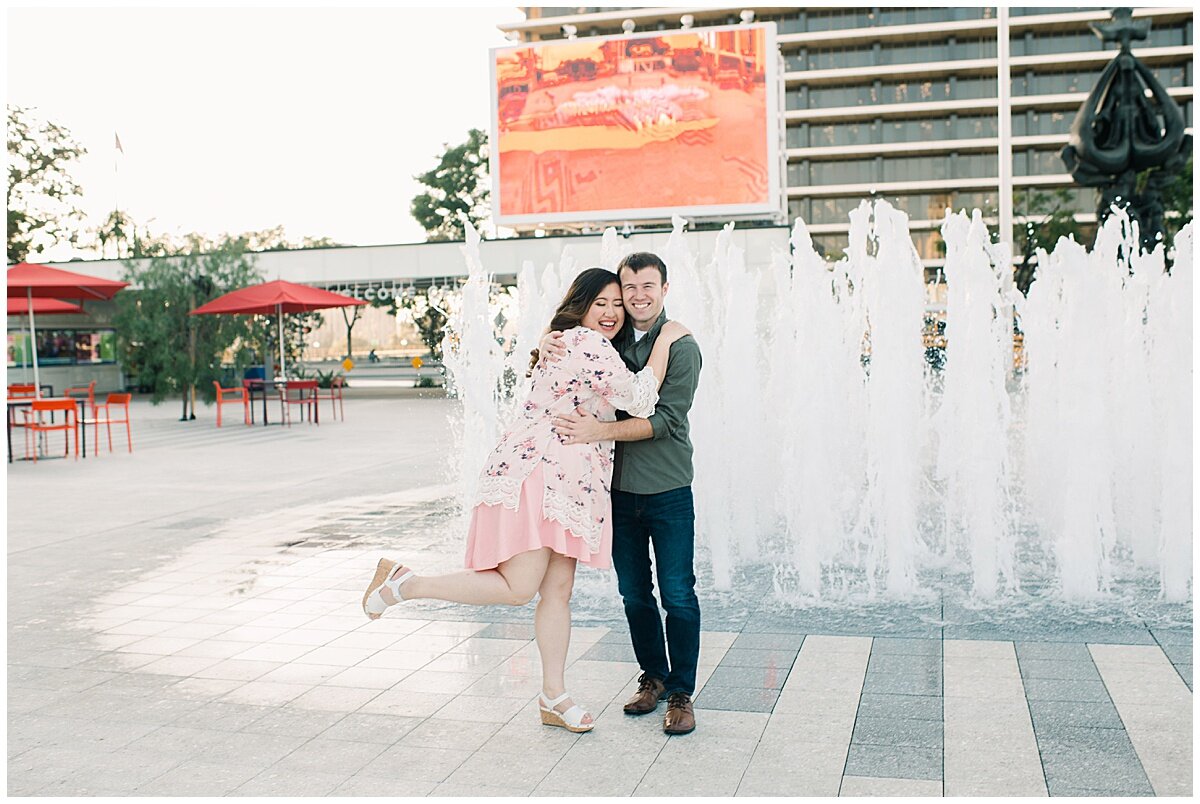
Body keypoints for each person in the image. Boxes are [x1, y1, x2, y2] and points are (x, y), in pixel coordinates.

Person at [362, 267, 691, 734]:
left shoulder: (572, 341)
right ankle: (405, 583)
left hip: (563, 484)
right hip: (541, 477)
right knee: (519, 588)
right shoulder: (586, 342)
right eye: (602, 303)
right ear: (581, 304)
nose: (613, 312)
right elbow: (640, 398)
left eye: (618, 305)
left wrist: (550, 332)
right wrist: (668, 338)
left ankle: (553, 696)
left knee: (557, 592)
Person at [544, 252, 703, 736]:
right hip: (615, 492)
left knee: (677, 593)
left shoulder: (680, 345)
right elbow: (573, 355)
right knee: (634, 593)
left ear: (664, 289)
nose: (635, 297)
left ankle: (681, 692)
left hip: (668, 487)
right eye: (626, 289)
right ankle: (653, 677)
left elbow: (665, 421)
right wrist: (549, 339)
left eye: (646, 287)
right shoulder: (605, 339)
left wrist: (597, 432)